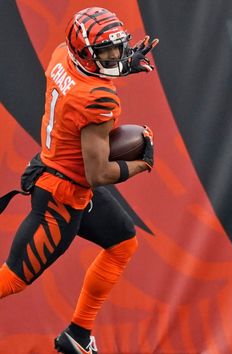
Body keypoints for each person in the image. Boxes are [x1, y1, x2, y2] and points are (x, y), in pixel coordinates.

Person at [0, 7, 158, 354]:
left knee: (122, 243)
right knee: (12, 279)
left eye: (116, 48)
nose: (116, 56)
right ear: (87, 54)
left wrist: (119, 64)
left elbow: (85, 74)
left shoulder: (62, 54)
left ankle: (78, 334)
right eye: (107, 51)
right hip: (60, 196)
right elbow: (98, 173)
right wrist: (141, 164)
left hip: (62, 174)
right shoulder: (98, 100)